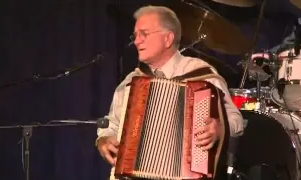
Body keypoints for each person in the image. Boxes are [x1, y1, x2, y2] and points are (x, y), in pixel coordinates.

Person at [96, 5, 244, 177]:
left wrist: (219, 128)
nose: (136, 41)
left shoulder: (201, 74)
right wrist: (104, 139)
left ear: (168, 38)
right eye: (135, 35)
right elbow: (111, 125)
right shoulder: (130, 82)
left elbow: (236, 120)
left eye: (144, 34)